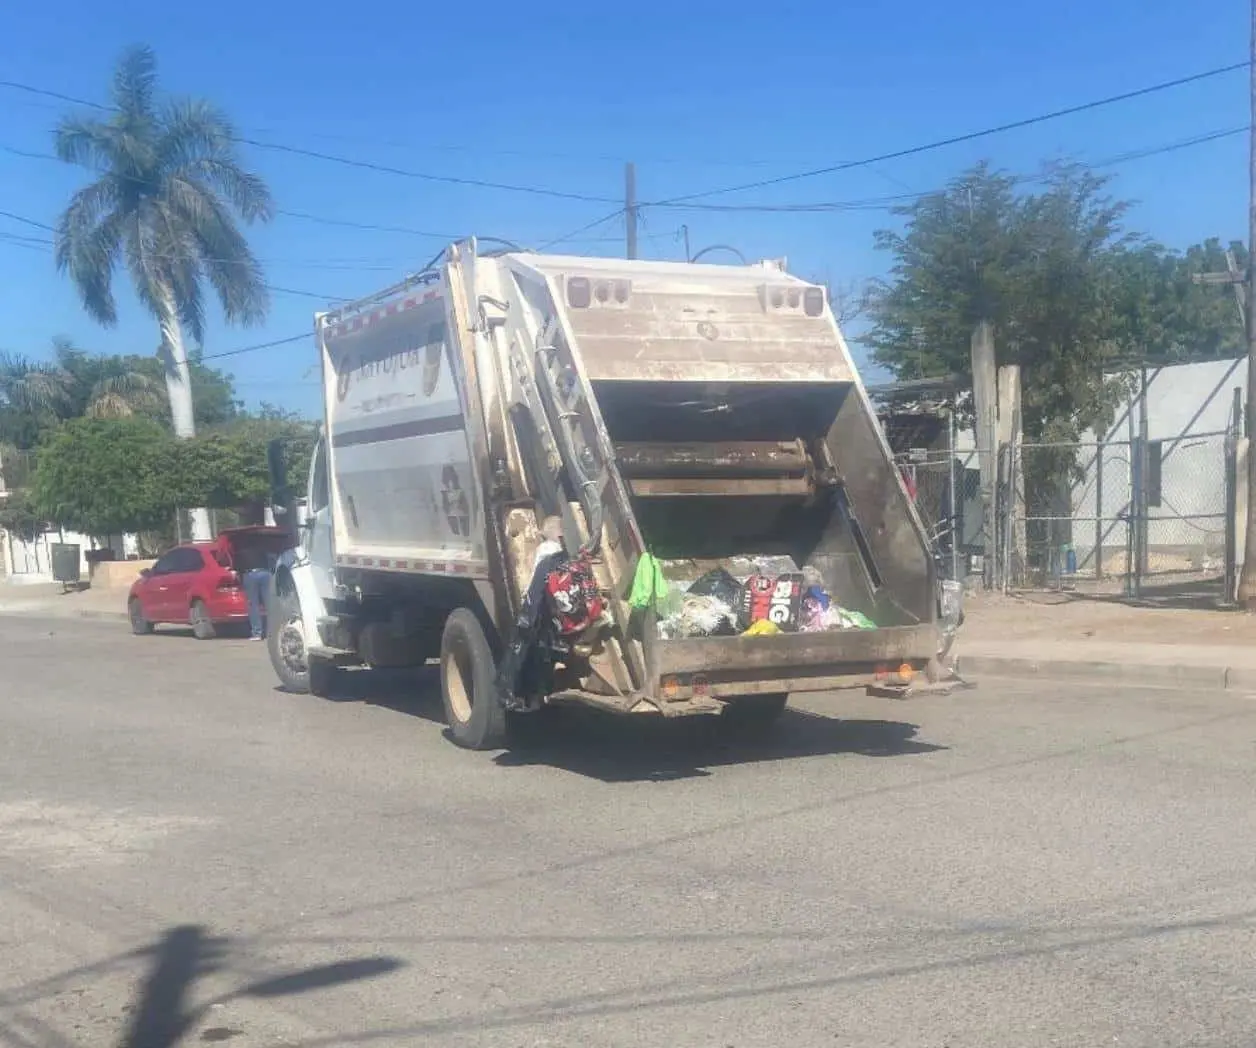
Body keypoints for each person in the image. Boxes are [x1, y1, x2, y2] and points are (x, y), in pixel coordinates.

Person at [235, 546, 272, 641]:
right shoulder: (261, 545)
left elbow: (237, 566)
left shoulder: (239, 548)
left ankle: (257, 633)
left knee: (253, 605)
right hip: (265, 573)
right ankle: (273, 631)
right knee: (270, 603)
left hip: (250, 574)